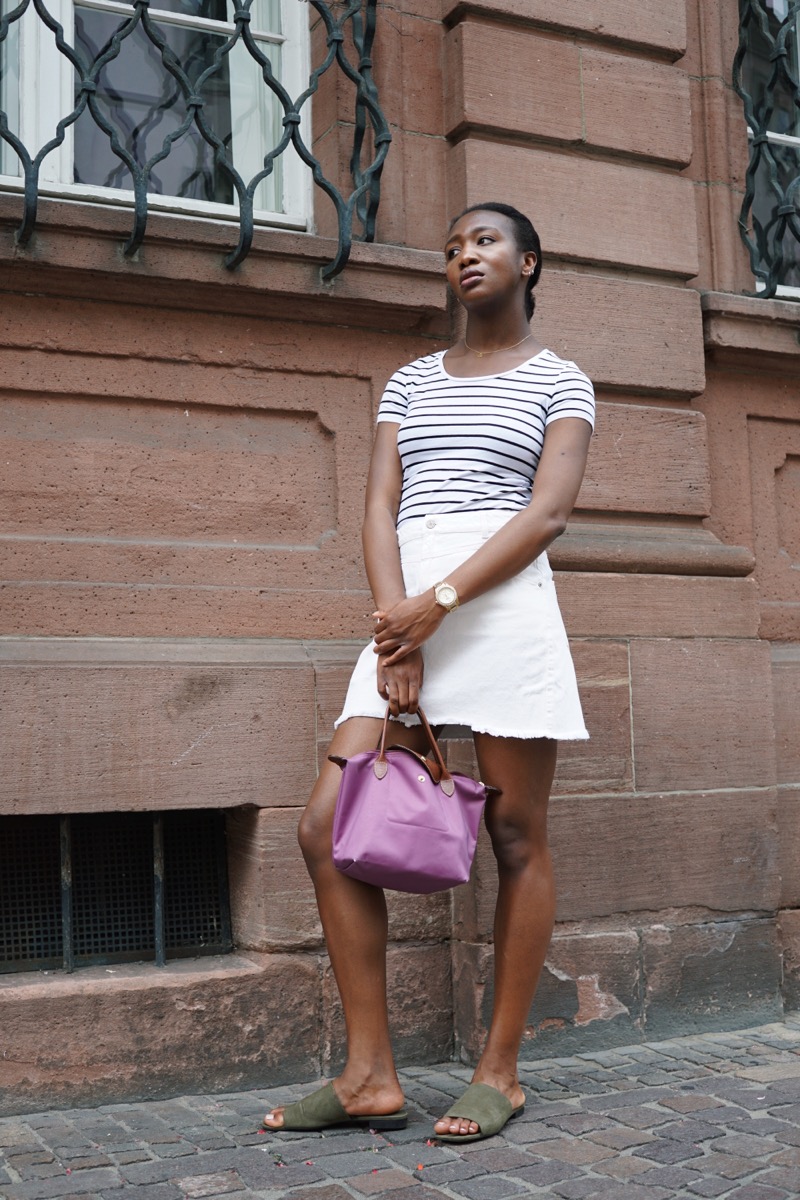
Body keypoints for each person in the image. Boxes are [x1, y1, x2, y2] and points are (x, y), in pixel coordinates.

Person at [262, 201, 595, 1143]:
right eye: (452, 247)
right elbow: (380, 506)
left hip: (498, 607)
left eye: (484, 241)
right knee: (324, 828)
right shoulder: (410, 380)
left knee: (518, 835)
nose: (464, 256)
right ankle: (370, 1074)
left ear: (530, 262)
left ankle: (500, 1070)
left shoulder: (562, 381)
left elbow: (545, 515)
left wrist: (434, 608)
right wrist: (398, 635)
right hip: (405, 610)